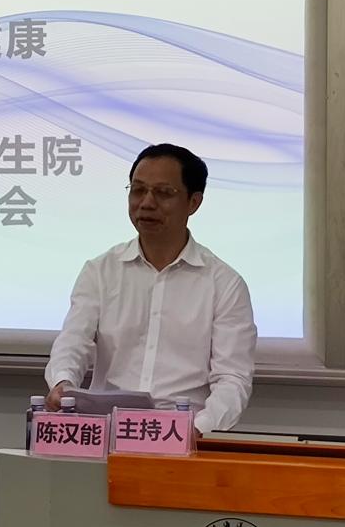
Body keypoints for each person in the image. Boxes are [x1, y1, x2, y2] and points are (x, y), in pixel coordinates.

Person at [44, 143, 256, 435]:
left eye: (163, 193)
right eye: (138, 190)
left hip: (182, 436)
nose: (146, 203)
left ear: (194, 202)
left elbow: (233, 379)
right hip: (108, 433)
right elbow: (72, 342)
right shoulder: (100, 271)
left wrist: (196, 429)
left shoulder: (224, 283)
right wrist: (62, 383)